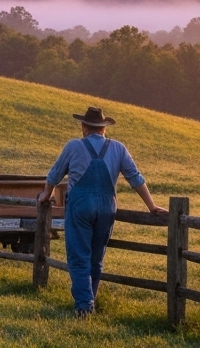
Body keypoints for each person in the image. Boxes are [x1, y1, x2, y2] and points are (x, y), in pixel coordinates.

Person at [36, 106, 166, 317]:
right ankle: (90, 299)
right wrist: (151, 205)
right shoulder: (119, 148)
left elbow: (55, 174)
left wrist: (46, 194)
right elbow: (135, 178)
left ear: (84, 127)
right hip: (106, 207)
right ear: (103, 128)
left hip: (80, 206)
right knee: (96, 258)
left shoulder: (74, 146)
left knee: (79, 257)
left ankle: (84, 306)